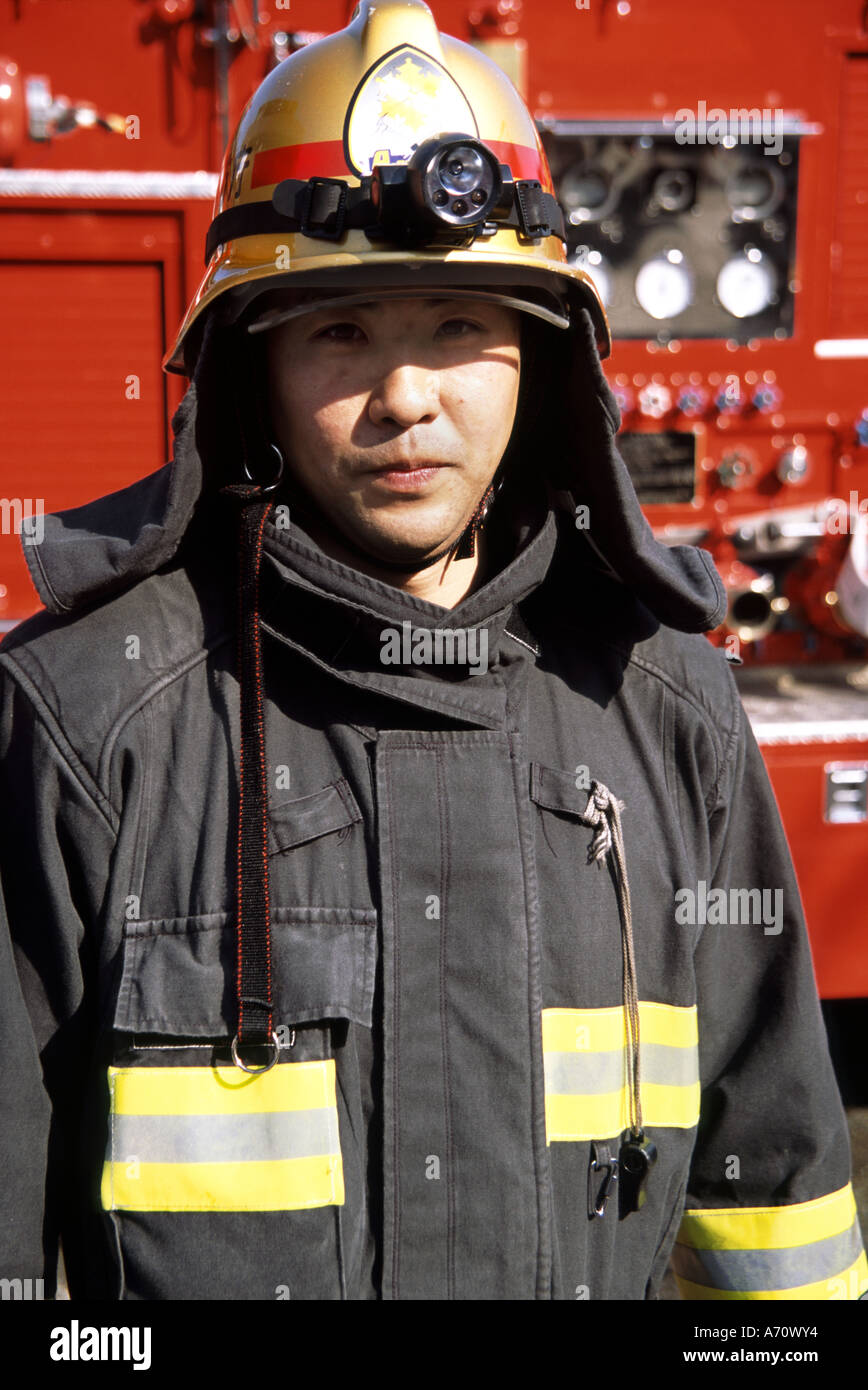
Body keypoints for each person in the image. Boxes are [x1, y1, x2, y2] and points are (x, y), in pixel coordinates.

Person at [0, 0, 865, 1302]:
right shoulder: (87, 726)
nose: (406, 396)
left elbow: (777, 1224)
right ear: (254, 370)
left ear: (542, 363)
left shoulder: (671, 709)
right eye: (341, 331)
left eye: (458, 327)